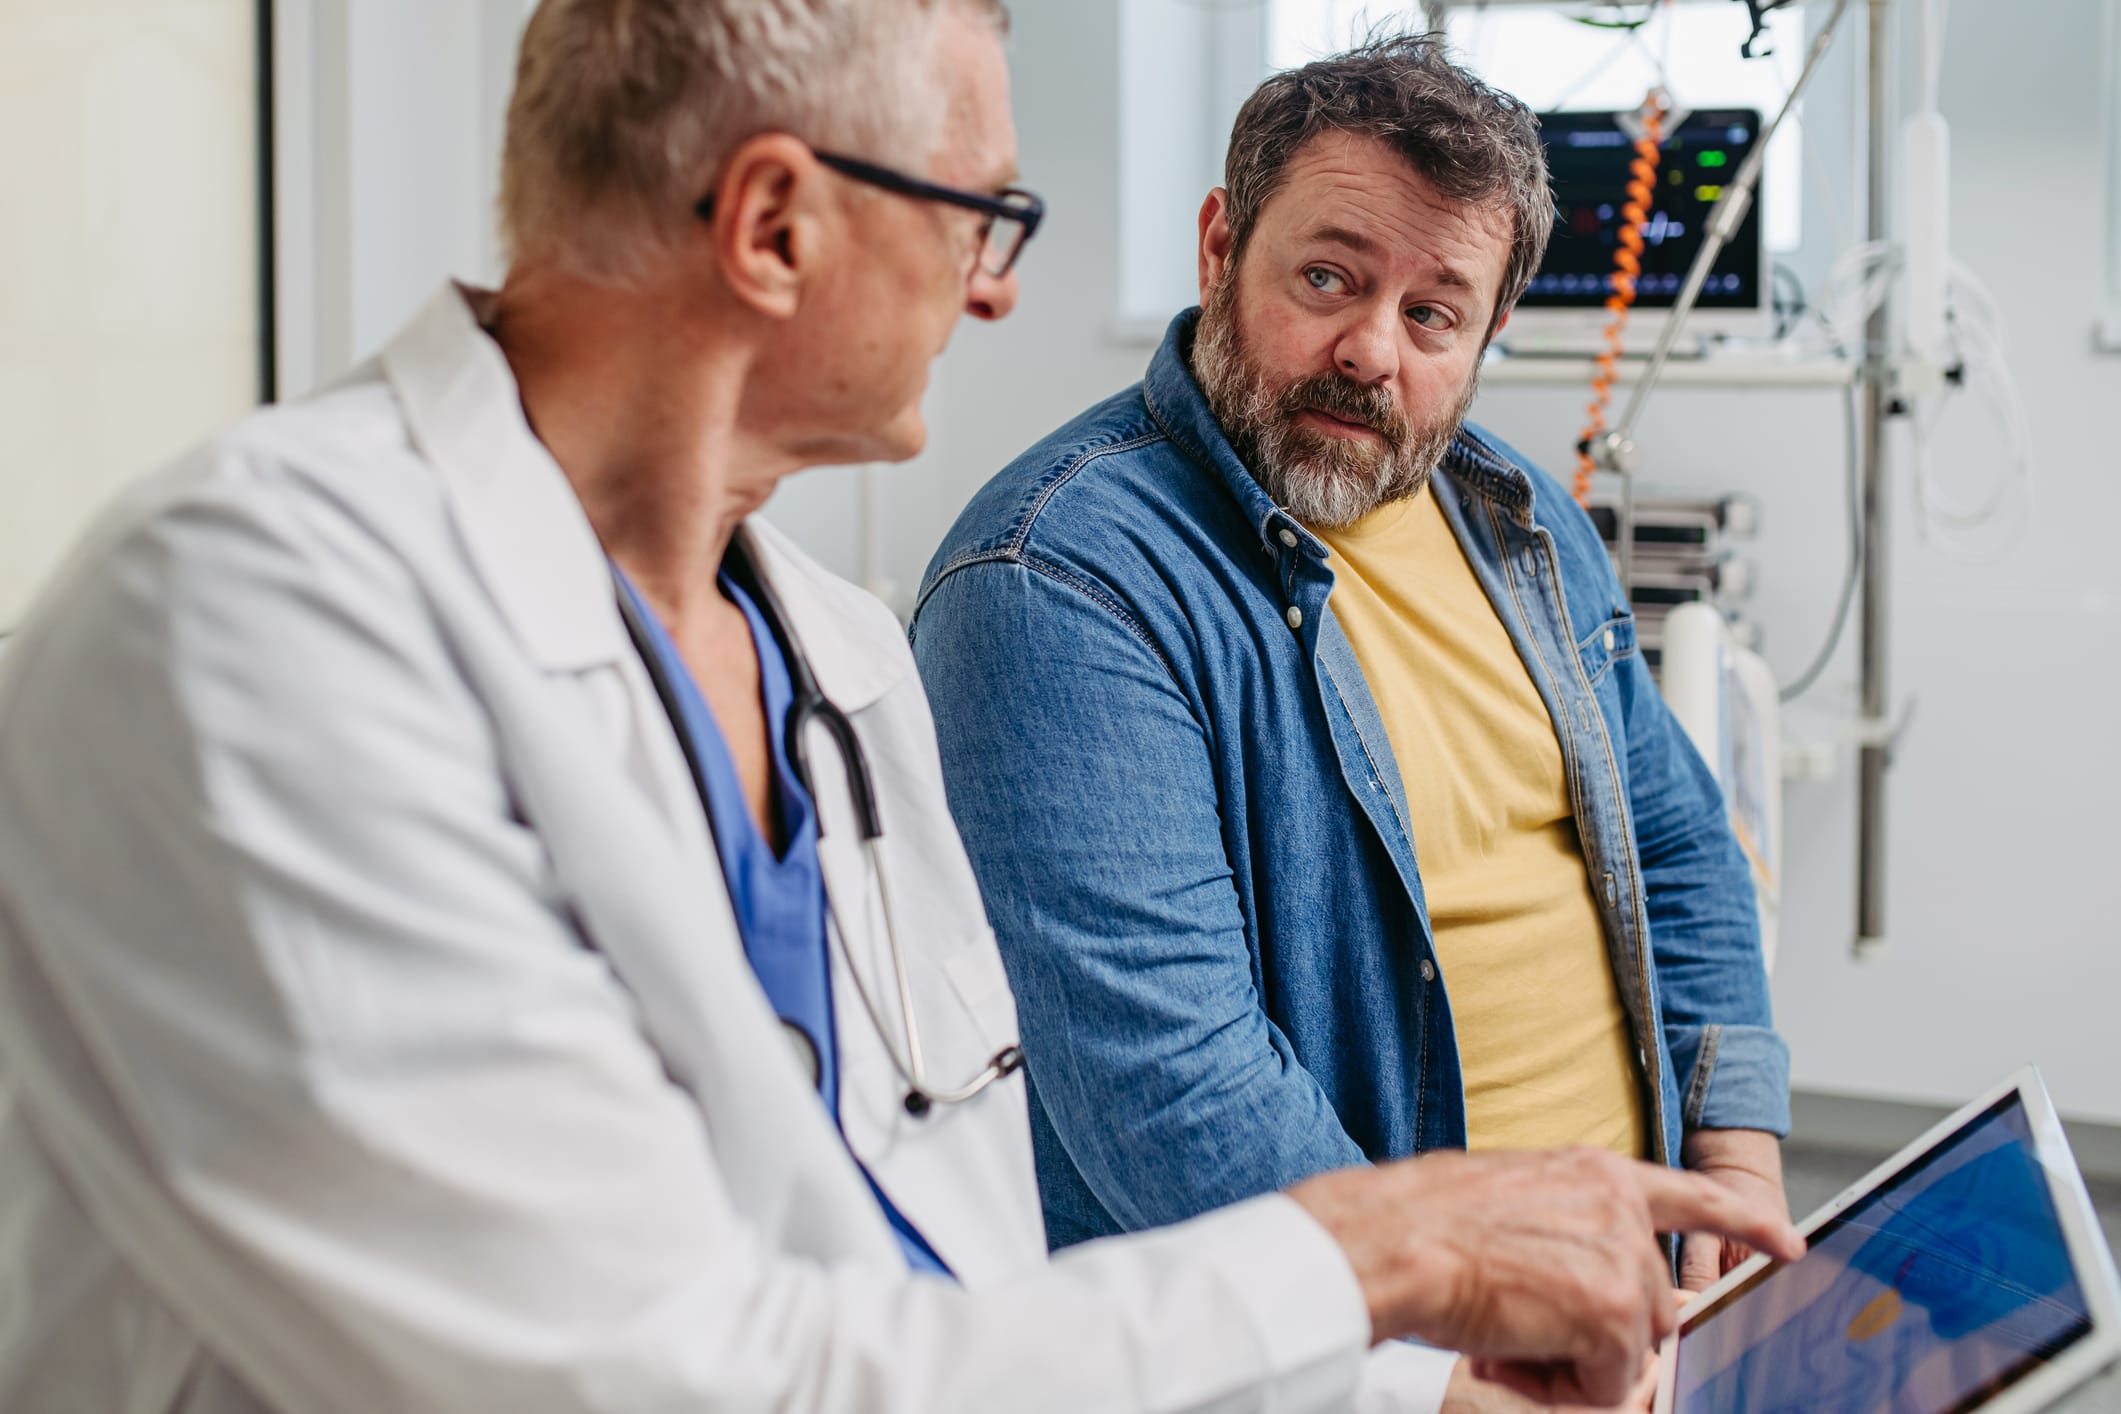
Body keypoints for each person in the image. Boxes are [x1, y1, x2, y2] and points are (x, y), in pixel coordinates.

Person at [0, 4, 1798, 1413]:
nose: (1003, 283)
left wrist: (1411, 1384)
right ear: (775, 223)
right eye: (984, 212)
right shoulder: (254, 624)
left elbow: (958, 1263)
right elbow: (657, 1370)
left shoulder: (835, 658)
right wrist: (1397, 1248)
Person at [910, 35, 1793, 1408]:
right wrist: (1441, 1371)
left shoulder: (1524, 526)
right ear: (1219, 247)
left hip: (1636, 1319)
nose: (1369, 352)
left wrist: (1730, 1204)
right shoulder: (1055, 579)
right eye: (1326, 278)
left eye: (1434, 314)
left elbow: (1678, 850)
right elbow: (1171, 1085)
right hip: (1370, 1362)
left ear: (1489, 333)